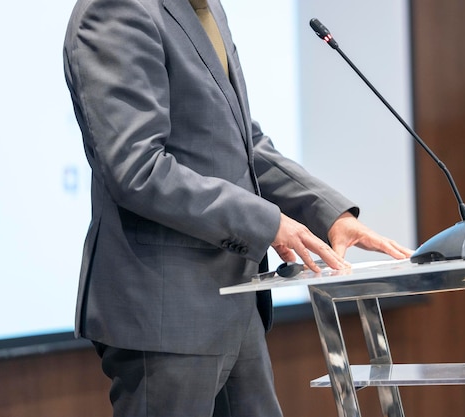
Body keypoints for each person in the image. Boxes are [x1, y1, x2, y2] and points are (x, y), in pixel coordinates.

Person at [63, 0, 413, 416]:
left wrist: (330, 213)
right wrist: (265, 223)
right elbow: (138, 169)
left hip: (234, 305)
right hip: (166, 314)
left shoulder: (207, 10)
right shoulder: (118, 10)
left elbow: (243, 145)